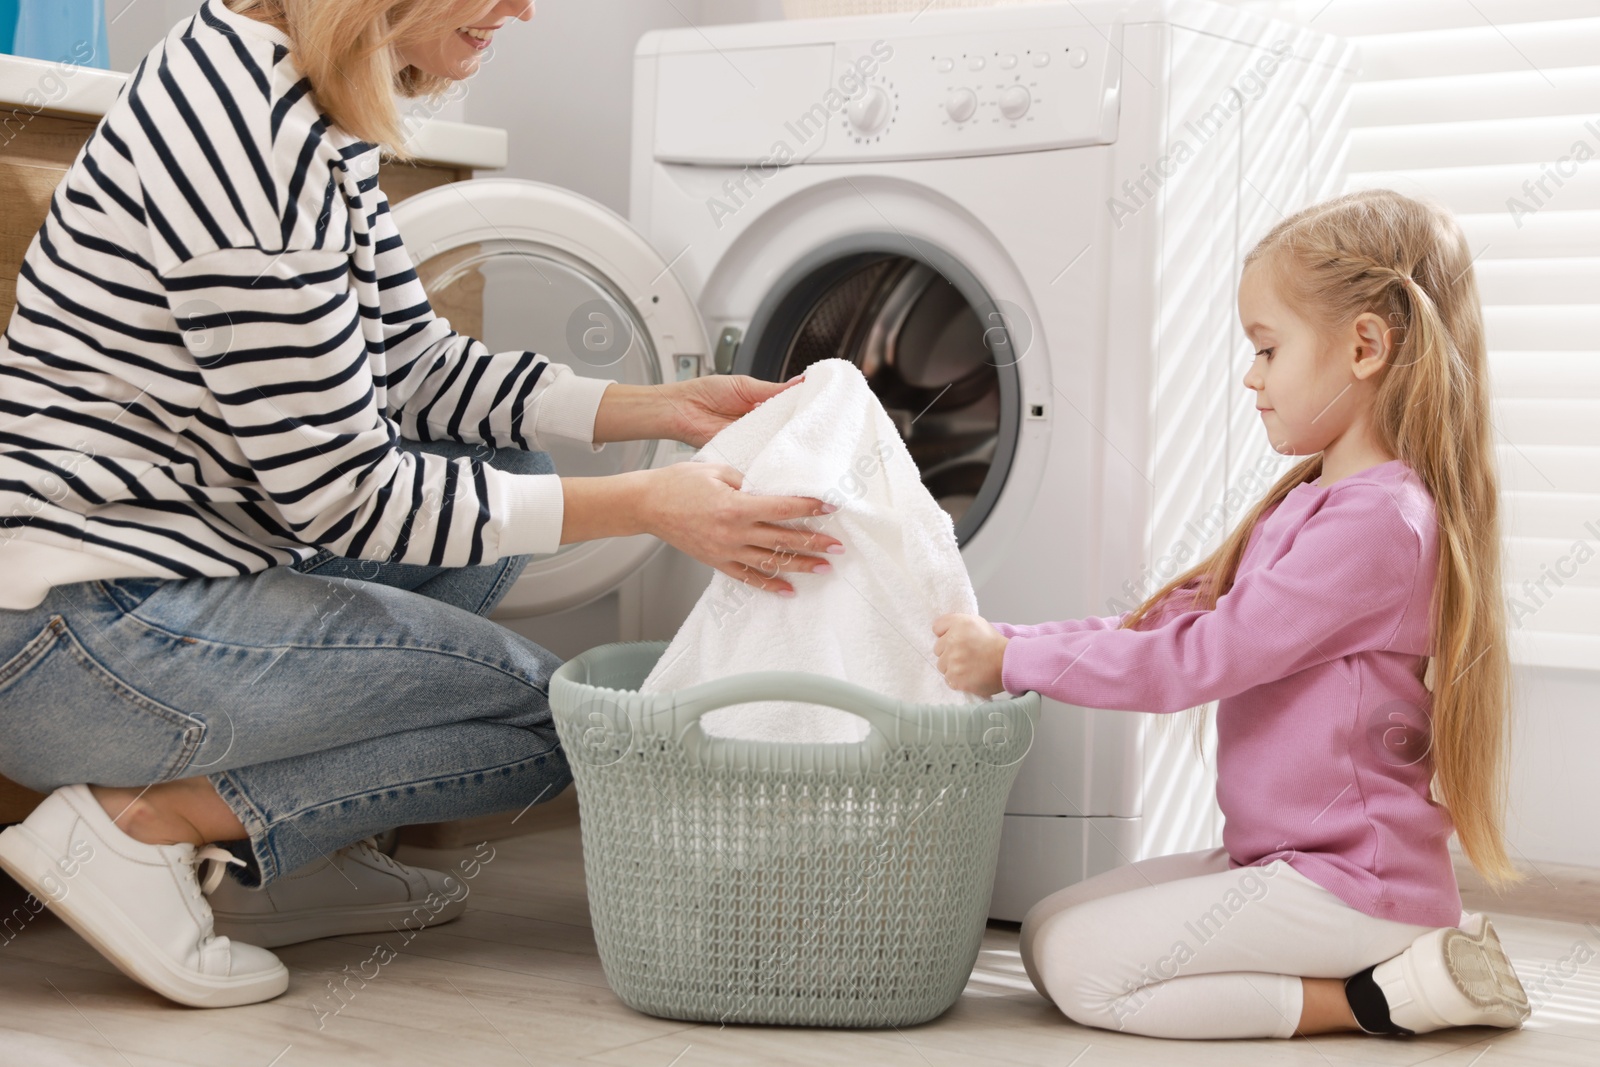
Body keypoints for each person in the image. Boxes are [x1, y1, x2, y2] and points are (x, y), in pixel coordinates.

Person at [0, 0, 841, 1008]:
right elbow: (348, 496)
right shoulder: (249, 148)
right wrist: (650, 504)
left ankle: (287, 854)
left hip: (134, 586)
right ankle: (139, 827)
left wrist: (649, 408)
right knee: (558, 721)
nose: (524, 8)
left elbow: (411, 365)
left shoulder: (303, 91)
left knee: (513, 470)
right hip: (83, 640)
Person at [932, 189, 1532, 1040]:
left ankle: (1391, 993)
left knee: (1081, 969)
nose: (1251, 375)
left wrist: (1011, 663)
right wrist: (1009, 643)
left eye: (1267, 347)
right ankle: (1389, 970)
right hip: (1287, 862)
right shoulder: (1311, 502)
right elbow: (1163, 630)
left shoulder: (1381, 524)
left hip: (1355, 883)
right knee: (1042, 933)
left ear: (1364, 345)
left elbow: (1199, 660)